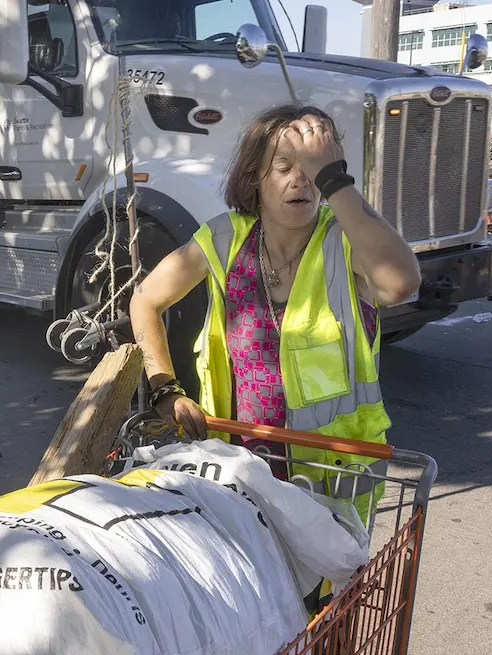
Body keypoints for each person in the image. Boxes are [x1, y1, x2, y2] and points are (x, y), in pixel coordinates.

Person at [128, 103, 421, 506]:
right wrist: (166, 390)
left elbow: (401, 282)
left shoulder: (344, 241)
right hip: (238, 470)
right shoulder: (225, 238)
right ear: (254, 179)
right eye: (284, 168)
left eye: (312, 169)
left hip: (332, 484)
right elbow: (145, 300)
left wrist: (334, 180)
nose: (301, 181)